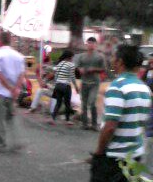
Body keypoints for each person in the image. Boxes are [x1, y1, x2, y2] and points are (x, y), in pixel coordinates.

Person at [90, 45, 151, 182]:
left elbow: (110, 126)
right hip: (135, 155)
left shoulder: (118, 86)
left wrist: (99, 152)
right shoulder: (144, 88)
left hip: (115, 158)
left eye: (113, 58)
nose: (111, 61)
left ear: (120, 62)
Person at [0, 32, 26, 152]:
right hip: (12, 92)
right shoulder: (19, 56)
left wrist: (9, 88)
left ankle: (1, 143)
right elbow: (21, 75)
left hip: (0, 91)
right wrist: (16, 89)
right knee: (11, 117)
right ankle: (18, 140)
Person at [75, 37, 105, 131]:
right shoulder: (81, 56)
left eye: (92, 43)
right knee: (83, 103)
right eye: (89, 43)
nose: (90, 45)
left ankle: (94, 124)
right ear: (86, 44)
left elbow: (103, 69)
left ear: (96, 45)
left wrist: (94, 69)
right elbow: (77, 67)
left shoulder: (100, 56)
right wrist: (80, 70)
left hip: (94, 82)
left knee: (92, 102)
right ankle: (84, 124)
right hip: (84, 82)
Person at [49, 50, 79, 126]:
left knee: (58, 103)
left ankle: (52, 118)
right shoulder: (71, 65)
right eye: (72, 57)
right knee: (67, 104)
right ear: (69, 57)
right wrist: (76, 86)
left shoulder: (59, 64)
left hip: (58, 85)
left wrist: (57, 83)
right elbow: (72, 77)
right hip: (66, 86)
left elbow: (55, 75)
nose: (73, 58)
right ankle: (67, 120)